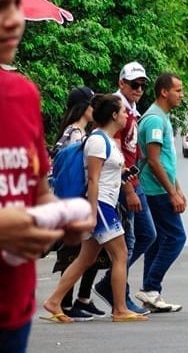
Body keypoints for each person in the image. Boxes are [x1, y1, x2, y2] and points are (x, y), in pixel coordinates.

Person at [0, 0, 93, 350]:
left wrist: (61, 216)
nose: (12, 21)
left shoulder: (23, 94)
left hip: (14, 308)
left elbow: (35, 188)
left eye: (14, 5)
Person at [43, 94, 148, 323]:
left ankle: (54, 301)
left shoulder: (107, 141)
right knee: (120, 254)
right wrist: (91, 213)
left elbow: (107, 174)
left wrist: (123, 174)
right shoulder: (98, 141)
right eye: (122, 111)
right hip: (99, 205)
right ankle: (120, 309)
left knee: (85, 259)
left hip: (103, 203)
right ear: (113, 115)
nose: (125, 115)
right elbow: (93, 179)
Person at [94, 62, 157, 315]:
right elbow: (116, 150)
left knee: (145, 235)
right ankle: (118, 294)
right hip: (122, 184)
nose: (139, 89)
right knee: (129, 242)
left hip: (132, 179)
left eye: (142, 85)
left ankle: (108, 286)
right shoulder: (117, 109)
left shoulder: (132, 109)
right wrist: (129, 189)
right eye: (134, 84)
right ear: (122, 83)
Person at [49, 86, 109, 322]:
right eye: (92, 104)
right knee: (74, 251)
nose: (95, 108)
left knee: (79, 250)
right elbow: (82, 171)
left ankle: (71, 301)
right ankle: (65, 302)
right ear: (83, 107)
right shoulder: (76, 134)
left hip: (66, 199)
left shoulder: (70, 131)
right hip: (75, 199)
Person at [135, 72, 186, 312]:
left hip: (160, 188)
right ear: (164, 91)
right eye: (178, 90)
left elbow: (166, 160)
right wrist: (171, 193)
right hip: (155, 190)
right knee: (176, 238)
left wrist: (178, 188)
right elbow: (154, 161)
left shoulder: (161, 117)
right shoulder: (154, 119)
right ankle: (151, 287)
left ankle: (151, 292)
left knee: (155, 240)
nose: (181, 95)